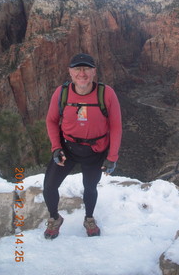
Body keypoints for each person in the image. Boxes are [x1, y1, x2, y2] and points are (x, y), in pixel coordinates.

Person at [43, 53, 122, 239]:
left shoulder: (106, 93)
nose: (82, 73)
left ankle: (89, 218)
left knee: (90, 187)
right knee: (48, 187)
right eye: (77, 69)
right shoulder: (61, 93)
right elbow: (51, 120)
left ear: (94, 71)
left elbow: (116, 126)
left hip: (95, 151)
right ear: (70, 72)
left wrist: (112, 157)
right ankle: (55, 218)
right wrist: (56, 147)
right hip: (67, 149)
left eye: (86, 68)